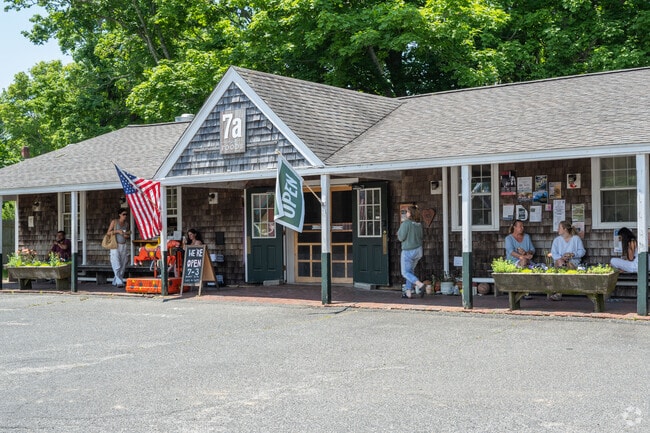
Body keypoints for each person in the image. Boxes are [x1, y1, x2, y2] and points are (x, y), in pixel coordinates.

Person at [550, 220, 586, 300]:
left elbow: (582, 251)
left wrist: (573, 254)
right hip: (559, 262)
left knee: (564, 265)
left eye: (559, 228)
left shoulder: (576, 239)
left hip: (573, 262)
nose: (557, 229)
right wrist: (562, 257)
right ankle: (559, 292)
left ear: (565, 229)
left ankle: (558, 292)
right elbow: (553, 254)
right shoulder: (557, 240)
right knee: (560, 262)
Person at [397, 205, 425, 299]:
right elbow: (421, 237)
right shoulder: (419, 224)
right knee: (410, 272)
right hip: (418, 251)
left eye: (407, 211)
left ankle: (419, 284)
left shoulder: (406, 223)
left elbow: (401, 237)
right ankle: (408, 293)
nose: (406, 213)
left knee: (405, 273)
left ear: (410, 213)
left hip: (408, 251)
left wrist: (398, 233)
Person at [106, 209, 131, 287]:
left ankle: (116, 280)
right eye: (123, 214)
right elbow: (108, 233)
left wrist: (126, 235)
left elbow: (127, 234)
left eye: (126, 214)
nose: (125, 216)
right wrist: (117, 231)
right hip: (115, 245)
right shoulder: (114, 222)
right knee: (116, 263)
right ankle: (119, 282)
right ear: (119, 215)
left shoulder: (126, 224)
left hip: (123, 245)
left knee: (123, 264)